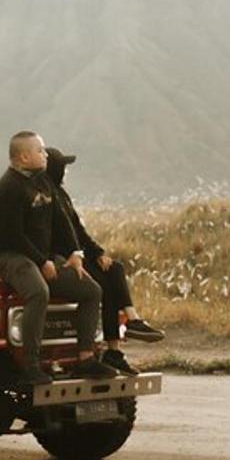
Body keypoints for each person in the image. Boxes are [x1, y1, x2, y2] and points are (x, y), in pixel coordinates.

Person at [0, 131, 118, 386]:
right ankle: (30, 365)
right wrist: (41, 261)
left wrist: (75, 254)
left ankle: (86, 358)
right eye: (40, 150)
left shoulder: (43, 182)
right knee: (38, 292)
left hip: (41, 257)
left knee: (91, 290)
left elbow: (62, 223)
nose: (45, 154)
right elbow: (12, 236)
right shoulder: (9, 188)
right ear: (24, 157)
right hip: (11, 256)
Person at [45, 147, 165, 376]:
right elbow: (60, 235)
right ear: (55, 169)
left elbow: (78, 230)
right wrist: (72, 256)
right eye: (63, 167)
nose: (66, 172)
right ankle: (116, 341)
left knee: (114, 269)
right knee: (101, 286)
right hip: (63, 259)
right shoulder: (47, 196)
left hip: (76, 255)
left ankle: (126, 331)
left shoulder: (62, 194)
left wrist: (98, 253)